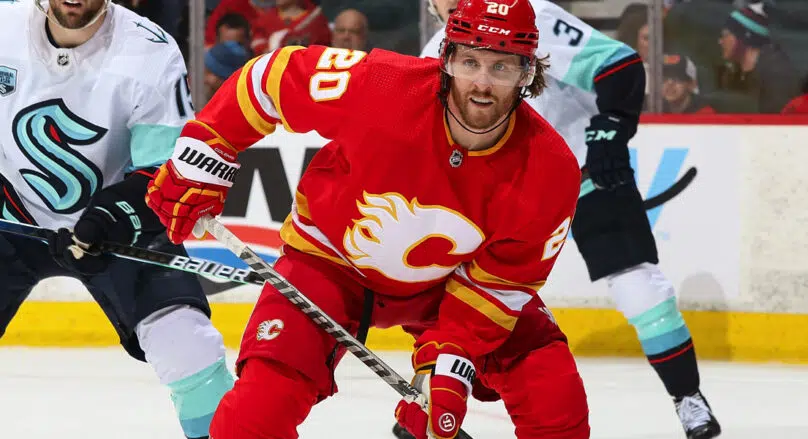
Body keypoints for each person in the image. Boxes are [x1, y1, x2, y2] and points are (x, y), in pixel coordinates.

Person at [145, 0, 590, 438]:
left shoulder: (549, 170)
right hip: (328, 265)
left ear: (528, 74)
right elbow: (272, 77)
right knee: (253, 418)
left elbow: (500, 284)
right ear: (446, 59)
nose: (482, 84)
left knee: (554, 393)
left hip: (447, 284)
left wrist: (448, 363)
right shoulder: (382, 86)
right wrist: (208, 149)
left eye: (502, 67)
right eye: (470, 61)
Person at [420, 0, 721, 437]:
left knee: (638, 287)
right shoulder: (433, 54)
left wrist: (609, 135)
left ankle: (687, 397)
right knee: (456, 295)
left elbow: (618, 67)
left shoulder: (528, 17)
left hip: (581, 169)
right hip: (500, 195)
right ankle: (431, 394)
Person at [0, 0, 234, 438]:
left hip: (114, 226)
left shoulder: (151, 50)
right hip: (10, 219)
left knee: (189, 348)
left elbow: (162, 172)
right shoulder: (2, 26)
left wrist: (107, 218)